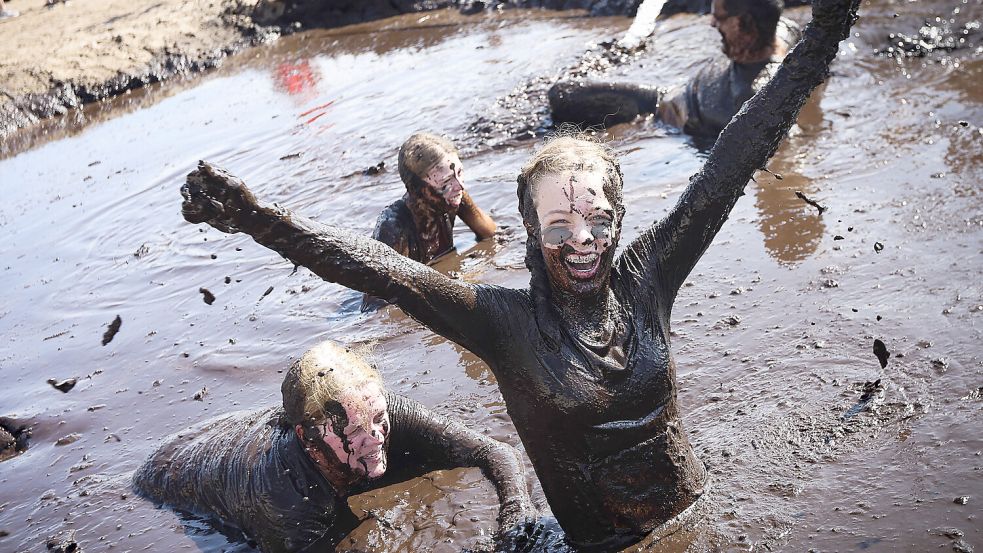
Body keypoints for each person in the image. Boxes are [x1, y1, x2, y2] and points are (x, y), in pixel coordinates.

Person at [178, 0, 859, 546]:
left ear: (619, 219)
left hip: (695, 519)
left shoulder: (649, 274)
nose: (581, 242)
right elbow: (382, 270)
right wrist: (260, 219)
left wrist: (826, 29)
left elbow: (735, 156)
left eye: (596, 221)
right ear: (530, 235)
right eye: (557, 228)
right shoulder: (501, 324)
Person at [132, 341, 535, 553]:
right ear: (309, 441)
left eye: (378, 418)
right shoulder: (284, 496)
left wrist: (518, 515)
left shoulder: (374, 408)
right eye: (355, 431)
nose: (376, 437)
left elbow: (495, 452)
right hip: (171, 477)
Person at [548, 0, 801, 137]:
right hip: (675, 93)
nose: (712, 23)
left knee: (561, 95)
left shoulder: (755, 99)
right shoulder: (783, 32)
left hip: (662, 110)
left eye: (719, 17)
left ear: (744, 23)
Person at [361, 132, 497, 311]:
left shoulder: (454, 196)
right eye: (446, 181)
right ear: (416, 189)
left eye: (459, 173)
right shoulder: (394, 225)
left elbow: (490, 234)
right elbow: (376, 304)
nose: (460, 186)